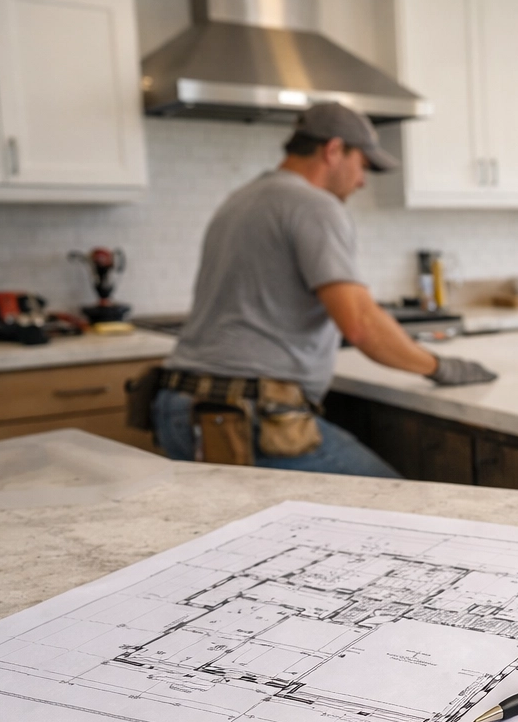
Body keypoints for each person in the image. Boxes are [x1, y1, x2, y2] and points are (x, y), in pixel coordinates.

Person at [149, 103, 495, 477]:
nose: (362, 180)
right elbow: (360, 323)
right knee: (395, 504)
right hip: (241, 414)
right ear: (333, 151)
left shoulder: (242, 200)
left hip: (179, 405)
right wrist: (442, 367)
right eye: (362, 164)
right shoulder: (314, 205)